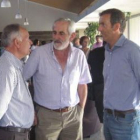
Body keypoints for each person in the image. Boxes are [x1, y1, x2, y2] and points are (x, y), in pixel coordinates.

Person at [23, 18, 92, 140]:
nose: (56, 37)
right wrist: (30, 108)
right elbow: (22, 80)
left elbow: (82, 84)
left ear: (72, 36)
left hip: (73, 115)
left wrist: (80, 110)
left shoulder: (79, 55)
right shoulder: (39, 53)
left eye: (61, 33)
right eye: (54, 32)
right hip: (46, 116)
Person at [98, 8, 140, 140]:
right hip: (108, 117)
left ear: (116, 27)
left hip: (126, 121)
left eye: (103, 24)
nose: (99, 29)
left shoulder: (132, 50)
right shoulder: (107, 50)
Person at [0, 24, 34, 140]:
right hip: (12, 134)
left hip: (17, 133)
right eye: (27, 38)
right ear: (17, 43)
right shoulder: (7, 67)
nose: (31, 42)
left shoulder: (14, 64)